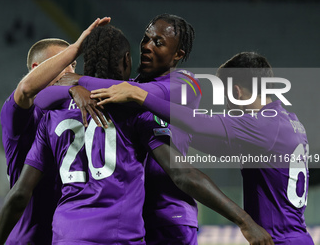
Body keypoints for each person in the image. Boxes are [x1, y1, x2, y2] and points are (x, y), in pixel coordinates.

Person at [31, 15, 272, 244]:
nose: (147, 46)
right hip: (136, 217)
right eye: (146, 38)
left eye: (158, 42)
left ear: (178, 54)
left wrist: (77, 81)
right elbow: (42, 97)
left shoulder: (185, 84)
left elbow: (145, 97)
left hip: (171, 215)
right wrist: (73, 89)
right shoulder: (128, 92)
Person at [92, 52, 314, 245]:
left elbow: (198, 123)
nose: (226, 105)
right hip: (296, 236)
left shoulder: (262, 123)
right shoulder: (288, 122)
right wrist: (161, 131)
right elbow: (215, 145)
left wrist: (139, 95)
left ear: (236, 92)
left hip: (278, 240)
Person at [0, 17, 110, 245]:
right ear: (36, 70)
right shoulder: (18, 114)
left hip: (69, 237)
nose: (70, 70)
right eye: (62, 63)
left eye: (73, 64)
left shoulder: (74, 112)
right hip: (27, 239)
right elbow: (25, 90)